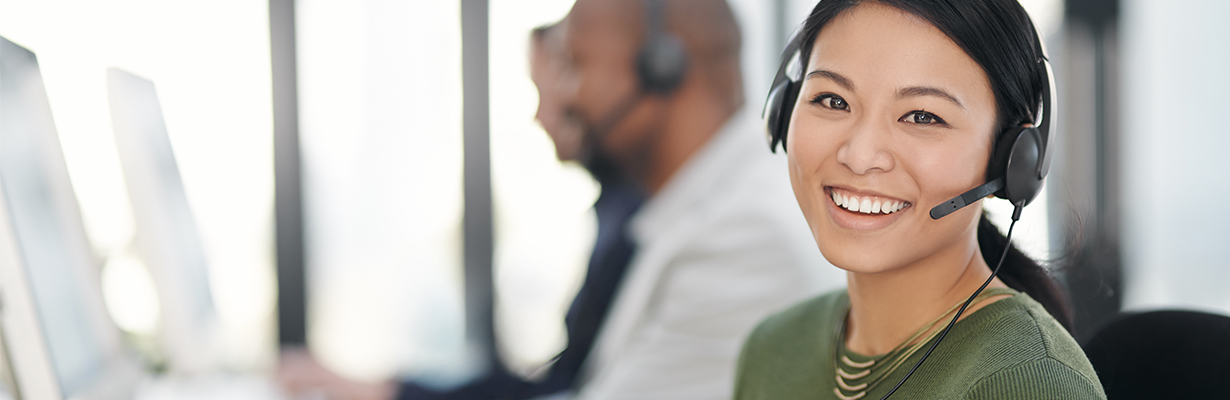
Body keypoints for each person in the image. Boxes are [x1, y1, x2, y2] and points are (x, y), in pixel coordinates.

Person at [280, 0, 843, 399]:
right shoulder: (690, 213)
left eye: (575, 64)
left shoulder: (744, 237)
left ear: (663, 68)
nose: (563, 94)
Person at [733, 1, 1106, 399]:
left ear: (1012, 157)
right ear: (784, 110)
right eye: (833, 100)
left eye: (923, 116)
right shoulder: (773, 348)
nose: (859, 157)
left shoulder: (1027, 381)